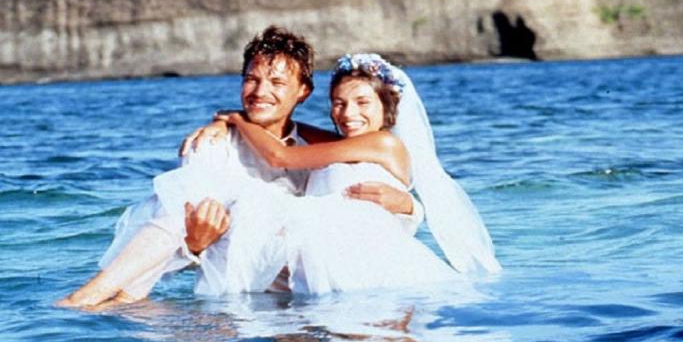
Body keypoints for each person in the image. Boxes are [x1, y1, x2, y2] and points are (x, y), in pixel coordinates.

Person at [58, 27, 420, 308]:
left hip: (339, 278)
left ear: (303, 92)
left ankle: (105, 300)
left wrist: (408, 206)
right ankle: (104, 299)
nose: (261, 92)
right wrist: (194, 247)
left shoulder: (330, 149)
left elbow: (284, 158)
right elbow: (184, 232)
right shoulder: (213, 145)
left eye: (277, 82)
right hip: (262, 290)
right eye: (251, 79)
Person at [192, 53, 501, 294]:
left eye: (362, 102)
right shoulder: (345, 146)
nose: (348, 114)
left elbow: (279, 156)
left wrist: (238, 120)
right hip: (324, 268)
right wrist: (227, 123)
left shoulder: (384, 144)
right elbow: (289, 128)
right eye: (339, 103)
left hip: (369, 270)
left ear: (387, 105)